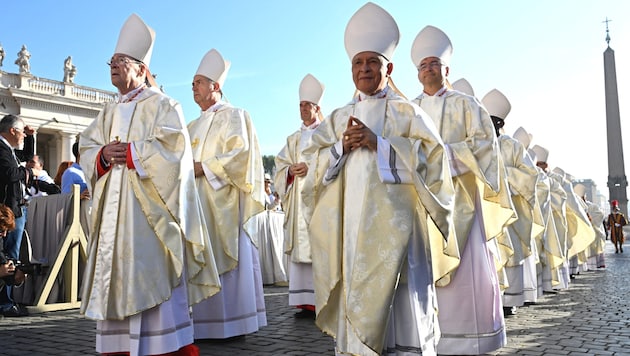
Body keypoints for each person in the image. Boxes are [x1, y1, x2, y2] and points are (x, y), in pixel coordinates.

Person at [303, 3, 456, 354]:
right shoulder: (339, 118)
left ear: (389, 68)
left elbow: (434, 163)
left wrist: (382, 144)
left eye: (372, 62)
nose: (365, 69)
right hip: (352, 230)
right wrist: (340, 149)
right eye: (358, 63)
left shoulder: (408, 112)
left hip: (400, 235)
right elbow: (313, 167)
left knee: (400, 304)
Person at [78, 14, 220, 356]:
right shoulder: (108, 111)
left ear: (142, 69)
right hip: (112, 211)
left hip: (149, 216)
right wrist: (100, 155)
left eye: (121, 61)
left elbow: (176, 152)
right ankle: (118, 346)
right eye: (111, 61)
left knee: (151, 274)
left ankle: (164, 346)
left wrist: (131, 152)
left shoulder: (164, 105)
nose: (113, 66)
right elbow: (85, 146)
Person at [411, 25, 516, 354]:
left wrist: (443, 158)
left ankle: (471, 339)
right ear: (417, 72)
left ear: (446, 69)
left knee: (465, 271)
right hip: (420, 203)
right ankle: (427, 336)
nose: (429, 70)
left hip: (461, 204)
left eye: (434, 64)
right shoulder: (408, 109)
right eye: (423, 65)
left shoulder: (468, 105)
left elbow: (484, 147)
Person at [187, 48, 267, 339]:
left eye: (198, 81)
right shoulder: (191, 125)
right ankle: (203, 325)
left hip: (225, 202)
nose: (193, 87)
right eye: (193, 82)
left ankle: (234, 324)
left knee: (229, 259)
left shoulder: (235, 115)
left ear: (215, 86)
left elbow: (240, 154)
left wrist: (204, 168)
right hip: (196, 201)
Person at [483, 89, 543, 313]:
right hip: (487, 207)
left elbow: (530, 176)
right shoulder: (478, 142)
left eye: (494, 123)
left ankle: (510, 302)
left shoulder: (512, 146)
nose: (490, 127)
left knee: (511, 252)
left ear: (500, 124)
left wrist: (503, 174)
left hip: (511, 210)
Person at [274, 73, 324, 319]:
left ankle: (321, 300)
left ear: (317, 108)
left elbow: (333, 160)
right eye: (301, 105)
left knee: (319, 246)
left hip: (318, 201)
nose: (303, 109)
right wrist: (289, 171)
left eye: (307, 105)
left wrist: (311, 169)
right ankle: (303, 302)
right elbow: (279, 165)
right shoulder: (292, 138)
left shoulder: (327, 133)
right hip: (296, 200)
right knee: (300, 249)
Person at [0, 114, 40, 317]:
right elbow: (9, 173)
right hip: (8, 211)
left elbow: (25, 158)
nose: (24, 135)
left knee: (11, 255)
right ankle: (5, 303)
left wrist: (31, 138)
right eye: (23, 132)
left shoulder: (8, 149)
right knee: (8, 257)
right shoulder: (1, 149)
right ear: (13, 131)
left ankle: (7, 301)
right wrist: (28, 173)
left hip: (16, 208)